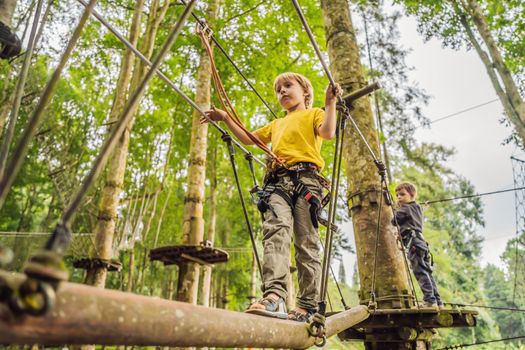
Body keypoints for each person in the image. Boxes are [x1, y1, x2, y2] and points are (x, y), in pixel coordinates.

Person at [201, 72, 342, 322]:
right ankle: (275, 295)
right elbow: (249, 138)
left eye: (288, 86)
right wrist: (224, 117)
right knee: (275, 231)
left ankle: (308, 303)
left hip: (306, 181)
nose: (283, 92)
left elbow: (328, 132)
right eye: (278, 90)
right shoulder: (276, 124)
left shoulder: (314, 114)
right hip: (277, 182)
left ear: (305, 92)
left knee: (306, 243)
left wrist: (329, 103)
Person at [392, 181, 443, 309]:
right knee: (427, 273)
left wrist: (396, 207)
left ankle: (429, 301)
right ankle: (438, 302)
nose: (399, 197)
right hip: (421, 243)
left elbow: (394, 220)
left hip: (414, 244)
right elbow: (411, 220)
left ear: (412, 195)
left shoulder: (404, 209)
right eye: (397, 195)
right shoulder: (418, 208)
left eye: (402, 194)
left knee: (420, 272)